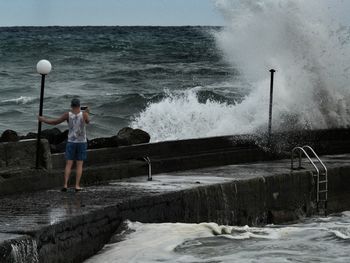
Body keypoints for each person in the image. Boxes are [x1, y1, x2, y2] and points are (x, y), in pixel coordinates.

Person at [38, 98, 90, 192]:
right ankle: (77, 186)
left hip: (71, 142)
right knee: (79, 165)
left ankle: (65, 185)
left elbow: (54, 122)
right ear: (79, 106)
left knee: (68, 164)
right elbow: (87, 122)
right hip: (81, 142)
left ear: (71, 106)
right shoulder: (84, 114)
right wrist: (87, 112)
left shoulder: (67, 115)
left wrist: (43, 119)